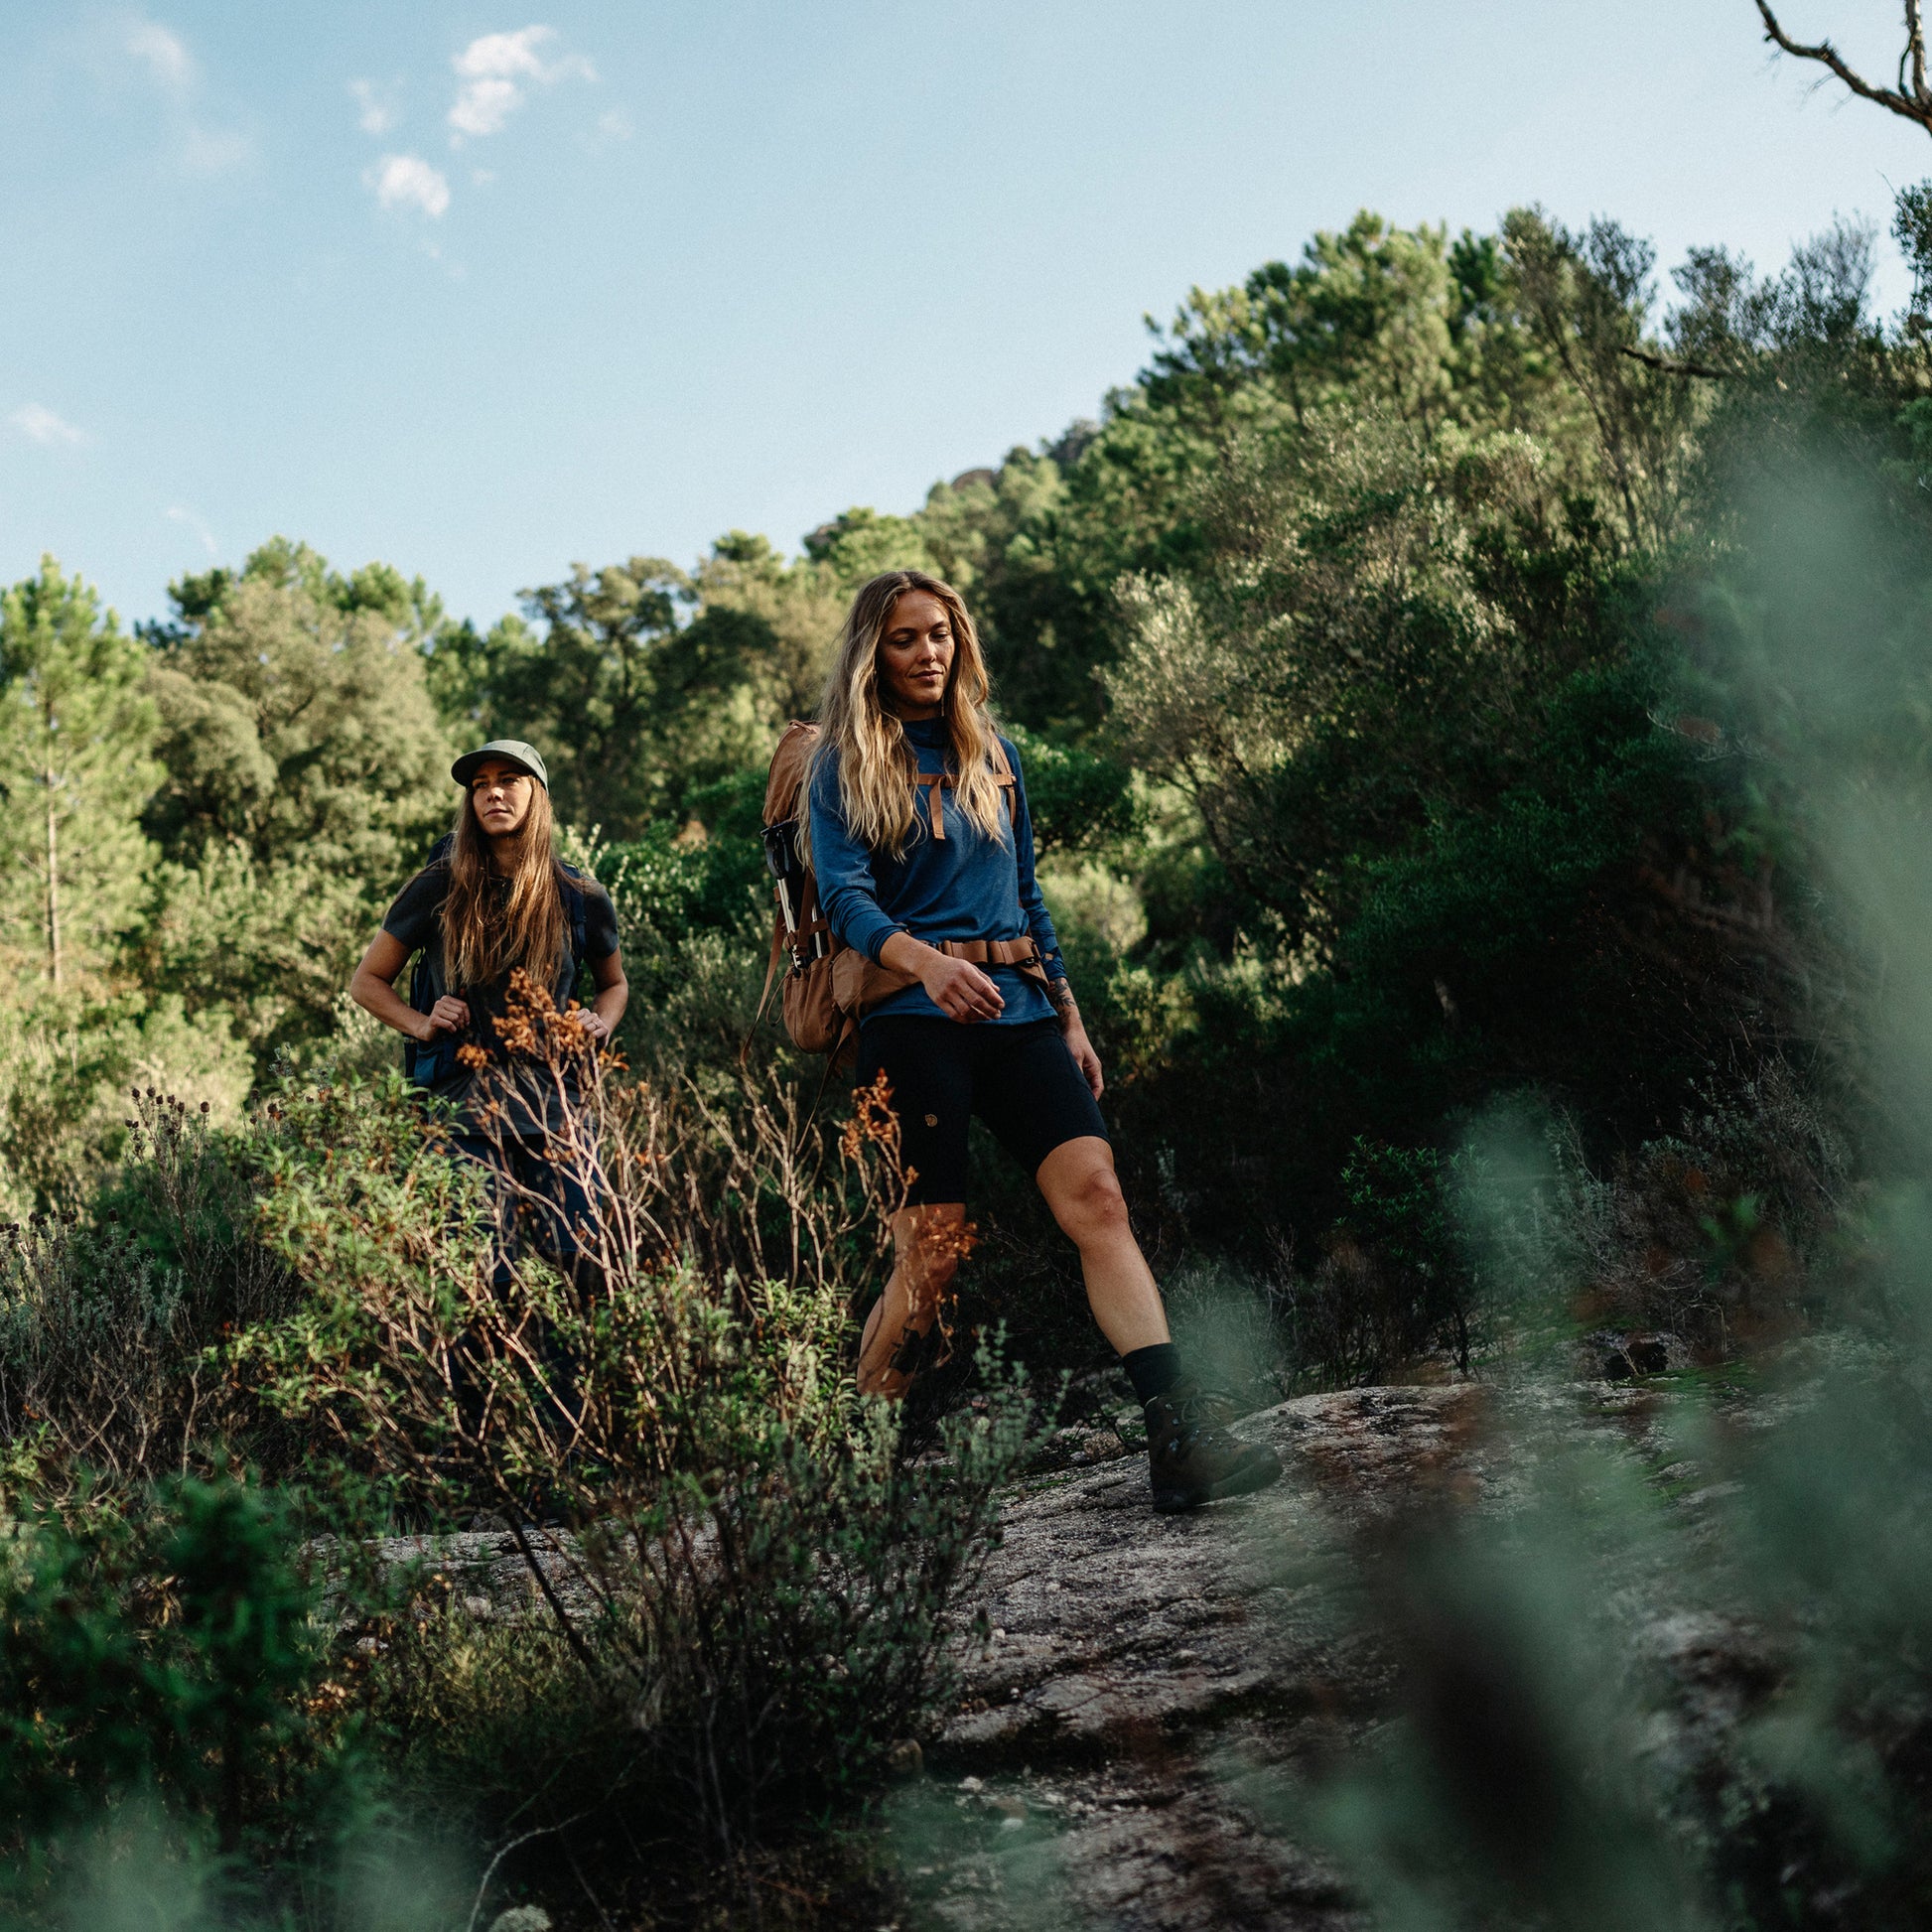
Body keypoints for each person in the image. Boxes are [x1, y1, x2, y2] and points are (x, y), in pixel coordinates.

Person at [806, 570, 1282, 1511]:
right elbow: (845, 900)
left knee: (1100, 1199)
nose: (927, 652)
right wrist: (928, 965)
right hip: (911, 1023)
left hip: (1019, 1013)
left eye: (940, 634)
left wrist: (1069, 1013)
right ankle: (857, 1470)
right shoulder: (842, 763)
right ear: (873, 654)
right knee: (932, 1253)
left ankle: (1178, 1438)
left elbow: (1027, 896)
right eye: (904, 638)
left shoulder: (997, 754)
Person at [348, 739, 626, 1280]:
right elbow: (368, 982)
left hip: (557, 1110)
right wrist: (421, 1023)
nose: (493, 793)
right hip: (464, 1112)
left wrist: (600, 1021)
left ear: (537, 794)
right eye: (480, 785)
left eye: (508, 780)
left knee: (585, 1263)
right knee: (486, 1273)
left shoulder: (580, 894)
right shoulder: (439, 885)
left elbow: (613, 984)